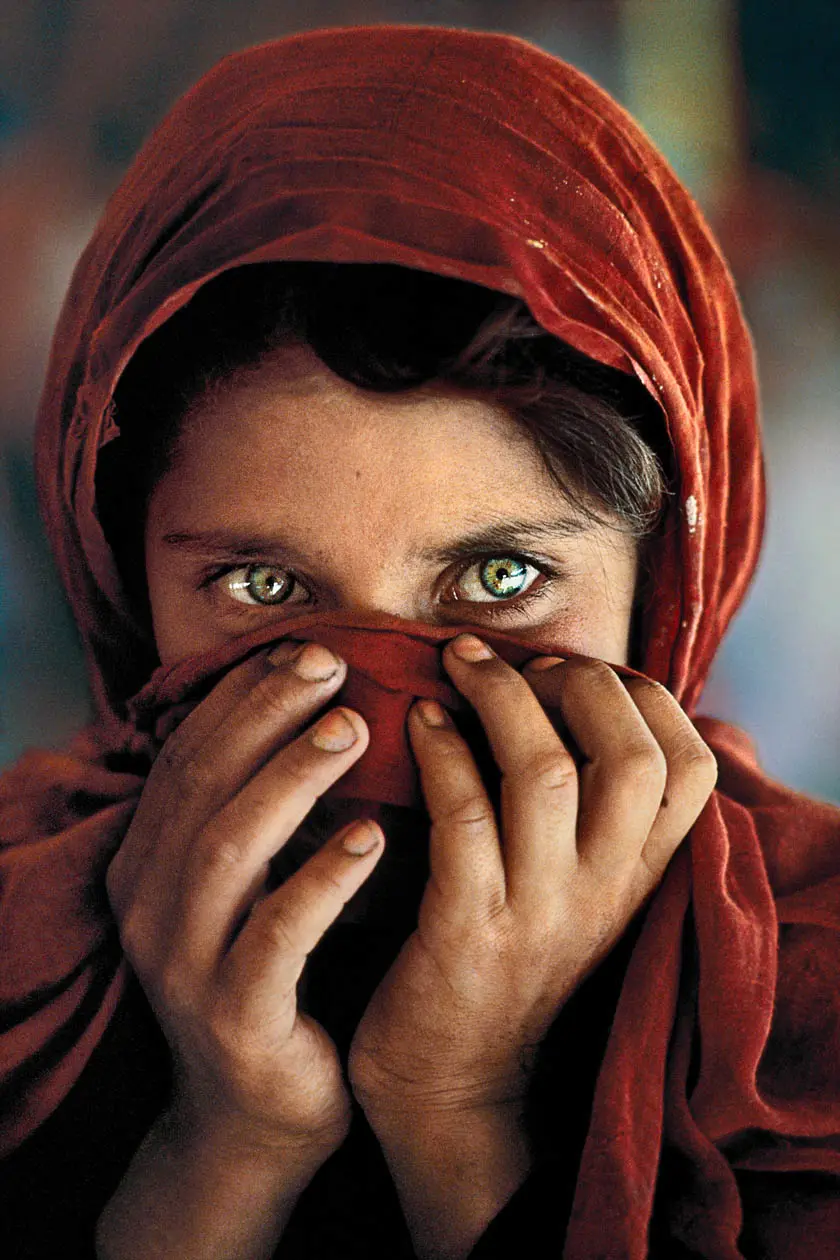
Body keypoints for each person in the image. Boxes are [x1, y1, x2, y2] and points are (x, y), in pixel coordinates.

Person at [0, 24, 838, 1260]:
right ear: (120, 573)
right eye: (263, 584)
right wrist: (222, 1142)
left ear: (669, 583)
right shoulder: (24, 965)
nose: (381, 708)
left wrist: (459, 1114)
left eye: (501, 580)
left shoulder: (807, 1013)